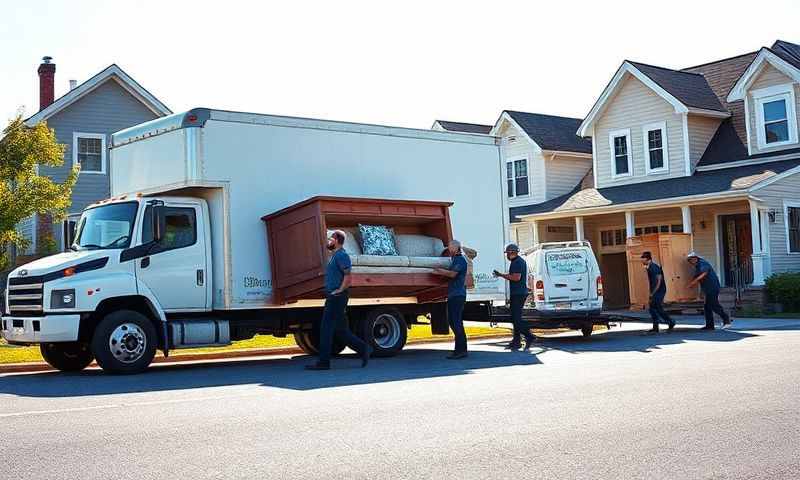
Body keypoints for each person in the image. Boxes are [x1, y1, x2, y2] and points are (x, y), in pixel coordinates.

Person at [306, 230, 371, 370]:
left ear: (336, 240)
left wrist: (339, 290)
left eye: (330, 239)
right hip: (334, 296)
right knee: (341, 331)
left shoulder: (342, 256)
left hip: (337, 297)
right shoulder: (334, 256)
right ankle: (364, 349)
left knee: (326, 329)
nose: (329, 241)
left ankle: (323, 362)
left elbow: (348, 277)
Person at [493, 243, 536, 350]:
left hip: (519, 294)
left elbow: (516, 278)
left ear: (512, 252)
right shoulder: (517, 261)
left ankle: (529, 336)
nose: (507, 255)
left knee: (516, 319)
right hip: (518, 293)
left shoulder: (517, 262)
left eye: (507, 253)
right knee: (514, 318)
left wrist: (501, 275)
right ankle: (516, 342)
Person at [433, 240, 469, 359]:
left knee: (455, 322)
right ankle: (461, 349)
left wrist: (439, 270)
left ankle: (460, 350)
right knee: (455, 322)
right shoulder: (455, 259)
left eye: (450, 247)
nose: (449, 249)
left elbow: (453, 274)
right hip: (454, 294)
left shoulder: (460, 260)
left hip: (457, 295)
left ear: (456, 248)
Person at [687, 252, 732, 330]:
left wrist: (693, 282)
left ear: (696, 258)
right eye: (690, 260)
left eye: (692, 259)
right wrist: (701, 292)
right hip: (708, 288)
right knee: (707, 307)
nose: (692, 261)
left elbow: (704, 273)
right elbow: (701, 280)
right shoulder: (697, 266)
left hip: (712, 287)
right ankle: (710, 325)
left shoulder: (702, 263)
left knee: (714, 305)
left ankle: (726, 320)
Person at [640, 251, 675, 334]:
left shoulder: (654, 267)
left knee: (655, 308)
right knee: (654, 308)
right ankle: (659, 326)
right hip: (656, 291)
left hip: (659, 291)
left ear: (647, 259)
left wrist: (653, 292)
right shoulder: (649, 267)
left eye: (642, 259)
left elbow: (659, 280)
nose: (642, 260)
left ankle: (670, 322)